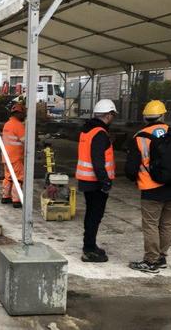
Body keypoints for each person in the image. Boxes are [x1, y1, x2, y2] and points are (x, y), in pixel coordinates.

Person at [125, 100, 171, 273]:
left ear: (145, 117)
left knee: (151, 225)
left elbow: (131, 168)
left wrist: (133, 178)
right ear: (163, 115)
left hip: (151, 188)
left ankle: (151, 261)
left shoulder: (140, 136)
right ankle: (161, 257)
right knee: (167, 223)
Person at [76, 99, 117, 263]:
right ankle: (89, 249)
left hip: (87, 180)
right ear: (108, 115)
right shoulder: (100, 133)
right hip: (96, 182)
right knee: (95, 215)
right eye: (113, 115)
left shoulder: (87, 130)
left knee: (91, 214)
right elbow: (97, 160)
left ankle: (90, 245)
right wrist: (105, 181)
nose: (113, 118)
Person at [1, 103, 26, 208]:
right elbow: (25, 140)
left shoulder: (7, 124)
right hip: (16, 156)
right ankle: (16, 200)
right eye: (23, 114)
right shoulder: (18, 125)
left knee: (8, 177)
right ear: (19, 113)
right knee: (19, 178)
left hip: (6, 156)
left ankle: (5, 197)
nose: (24, 116)